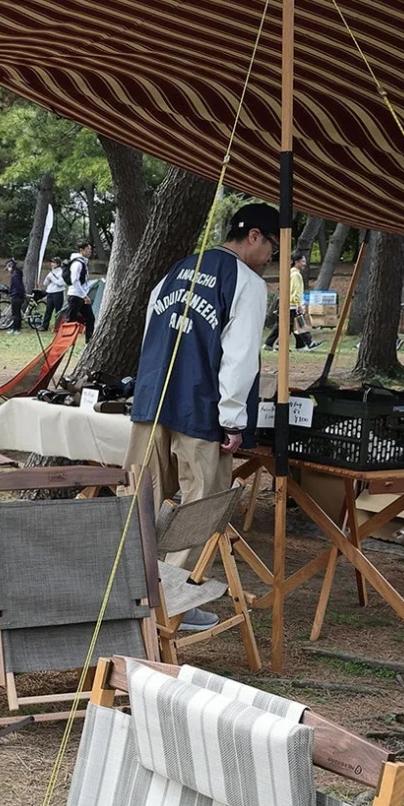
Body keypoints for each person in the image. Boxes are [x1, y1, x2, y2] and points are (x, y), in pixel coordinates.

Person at [128, 202, 275, 623]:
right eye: (272, 248)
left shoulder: (178, 268)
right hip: (202, 406)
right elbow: (240, 356)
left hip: (153, 397)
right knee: (202, 503)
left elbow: (149, 330)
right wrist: (232, 418)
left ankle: (128, 585)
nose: (271, 259)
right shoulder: (245, 282)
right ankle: (170, 601)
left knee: (141, 495)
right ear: (254, 237)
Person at [5, 258, 26, 331]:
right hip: (16, 295)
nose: (8, 270)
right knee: (16, 313)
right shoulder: (16, 274)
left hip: (16, 296)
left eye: (8, 268)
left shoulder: (15, 275)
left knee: (16, 313)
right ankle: (15, 327)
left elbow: (17, 286)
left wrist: (16, 294)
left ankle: (16, 328)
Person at [43, 256, 65, 323]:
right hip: (50, 292)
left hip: (58, 292)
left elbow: (60, 283)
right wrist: (48, 278)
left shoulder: (61, 272)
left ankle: (58, 325)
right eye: (52, 262)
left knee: (58, 310)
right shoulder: (51, 272)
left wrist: (52, 277)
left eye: (54, 262)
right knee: (48, 310)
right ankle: (44, 325)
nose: (52, 264)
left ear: (58, 264)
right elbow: (45, 283)